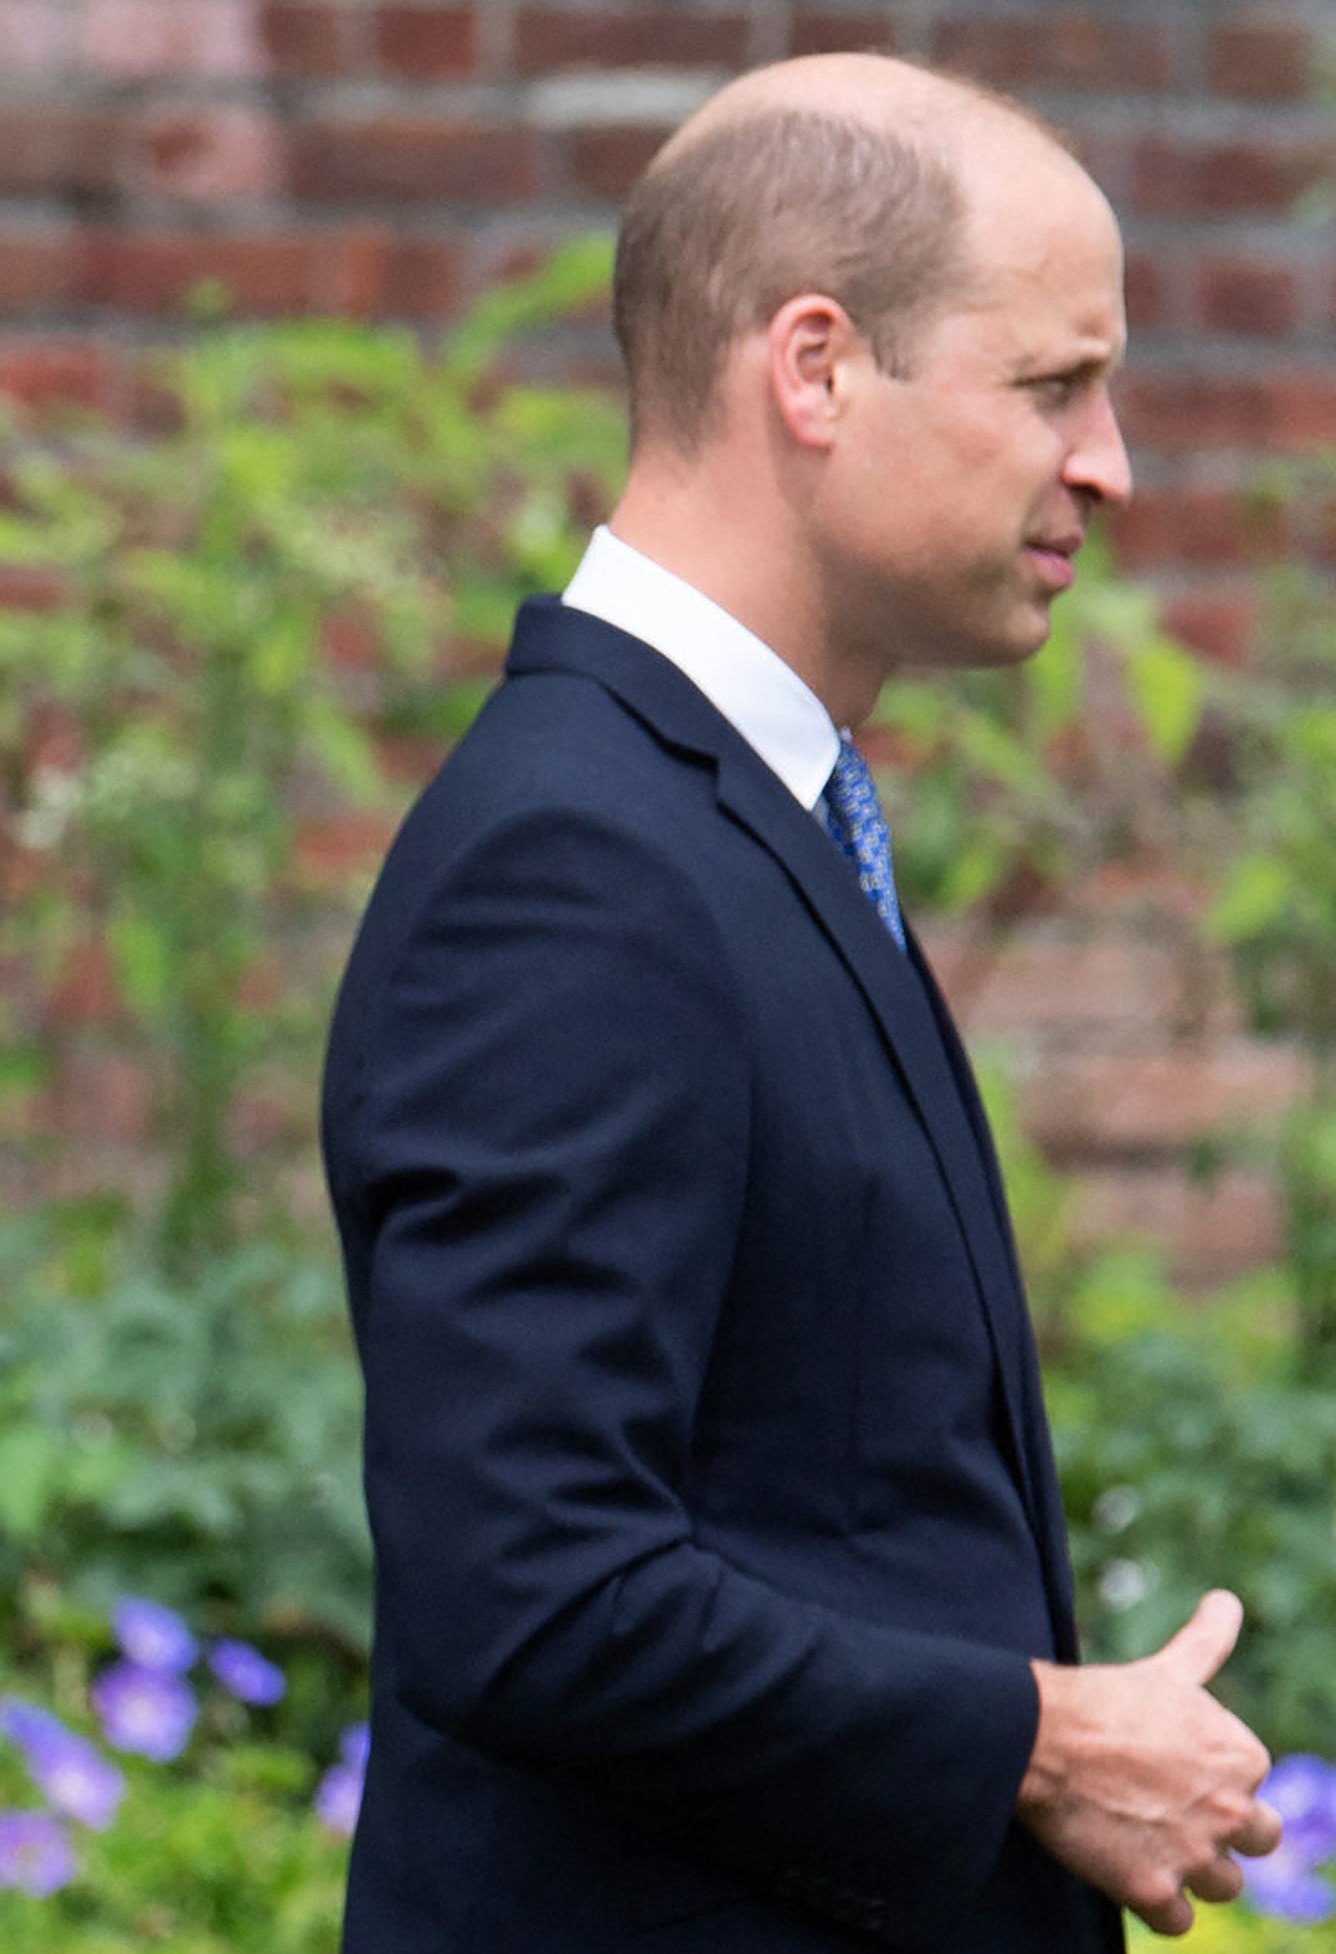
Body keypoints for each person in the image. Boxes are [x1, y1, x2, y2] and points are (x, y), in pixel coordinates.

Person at [320, 53, 1279, 1952]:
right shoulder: (577, 869)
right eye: (1049, 385)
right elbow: (531, 1586)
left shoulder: (741, 819)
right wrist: (1033, 1739)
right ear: (815, 367)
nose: (1109, 461)